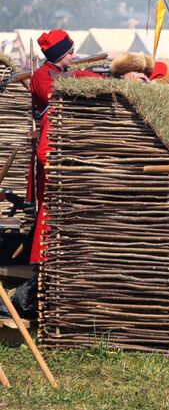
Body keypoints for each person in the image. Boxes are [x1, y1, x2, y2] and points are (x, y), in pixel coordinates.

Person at [28, 30, 104, 263]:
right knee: (50, 211)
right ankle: (42, 262)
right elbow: (55, 98)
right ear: (58, 54)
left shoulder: (65, 73)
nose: (73, 55)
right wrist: (80, 78)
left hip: (69, 147)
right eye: (70, 52)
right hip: (52, 147)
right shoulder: (41, 76)